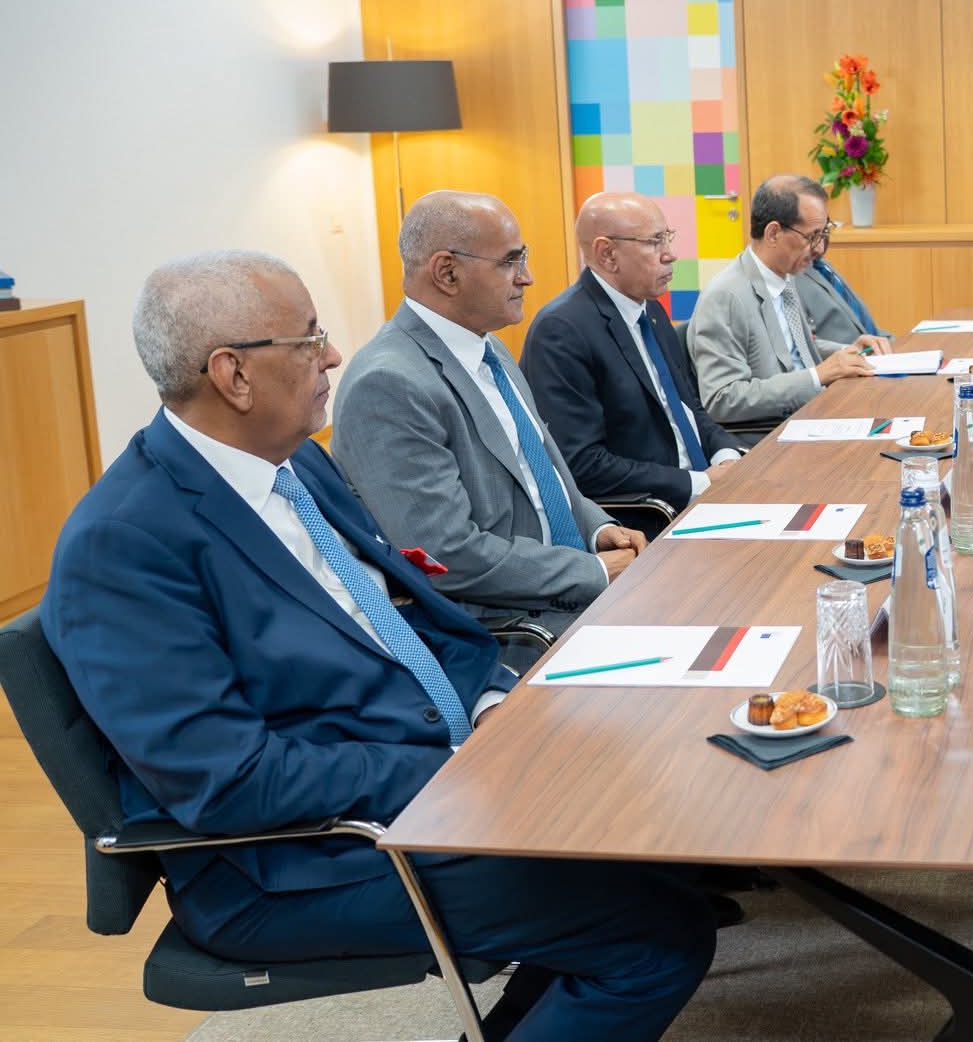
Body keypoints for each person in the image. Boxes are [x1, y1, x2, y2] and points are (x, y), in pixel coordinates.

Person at [43, 251, 719, 1040]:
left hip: (415, 778)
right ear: (234, 374)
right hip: (292, 863)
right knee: (656, 937)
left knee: (650, 848)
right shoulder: (125, 542)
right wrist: (456, 771)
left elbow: (408, 614)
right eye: (309, 339)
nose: (334, 355)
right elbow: (228, 781)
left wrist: (490, 701)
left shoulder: (293, 463)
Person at [333, 191, 642, 643]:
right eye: (510, 262)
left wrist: (598, 530)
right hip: (516, 631)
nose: (527, 277)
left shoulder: (490, 348)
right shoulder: (388, 384)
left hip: (573, 595)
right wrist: (591, 571)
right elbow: (447, 555)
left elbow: (544, 481)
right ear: (447, 272)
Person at [521, 192, 745, 520]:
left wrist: (726, 456)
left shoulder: (649, 309)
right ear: (607, 254)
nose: (670, 254)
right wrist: (699, 483)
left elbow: (689, 408)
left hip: (704, 492)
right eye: (654, 242)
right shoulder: (561, 331)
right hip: (651, 513)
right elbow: (582, 463)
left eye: (667, 237)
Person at [688, 174, 890, 444]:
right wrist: (817, 375)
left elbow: (792, 350)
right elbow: (722, 398)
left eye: (824, 233)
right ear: (773, 233)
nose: (819, 248)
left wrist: (847, 351)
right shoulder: (726, 296)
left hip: (813, 414)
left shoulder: (785, 276)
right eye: (812, 236)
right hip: (770, 434)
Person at [797, 252, 892, 352]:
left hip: (873, 352)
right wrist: (847, 349)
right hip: (847, 356)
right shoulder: (792, 275)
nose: (819, 249)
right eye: (812, 242)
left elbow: (859, 322)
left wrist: (888, 341)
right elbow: (800, 344)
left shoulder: (822, 266)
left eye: (823, 241)